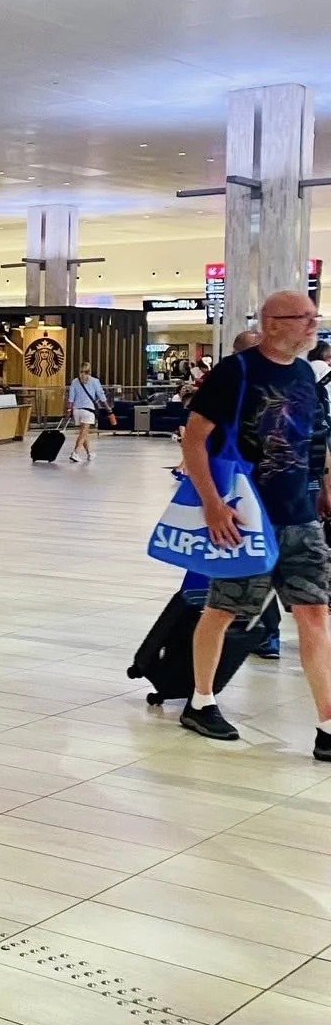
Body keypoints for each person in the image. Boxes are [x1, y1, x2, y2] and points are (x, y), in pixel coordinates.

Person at [180, 290, 331, 752]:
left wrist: (325, 490)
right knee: (224, 609)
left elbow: (315, 442)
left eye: (313, 317)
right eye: (301, 318)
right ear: (271, 324)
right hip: (247, 517)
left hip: (300, 518)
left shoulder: (306, 373)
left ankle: (327, 726)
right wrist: (212, 504)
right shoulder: (236, 372)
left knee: (315, 612)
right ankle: (200, 701)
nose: (312, 325)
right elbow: (194, 442)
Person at [66, 362, 109, 465]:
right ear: (90, 371)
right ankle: (75, 453)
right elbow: (101, 396)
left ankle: (90, 453)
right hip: (88, 410)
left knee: (83, 433)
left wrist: (68, 410)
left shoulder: (75, 382)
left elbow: (71, 398)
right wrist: (108, 408)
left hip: (77, 410)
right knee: (83, 433)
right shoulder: (95, 381)